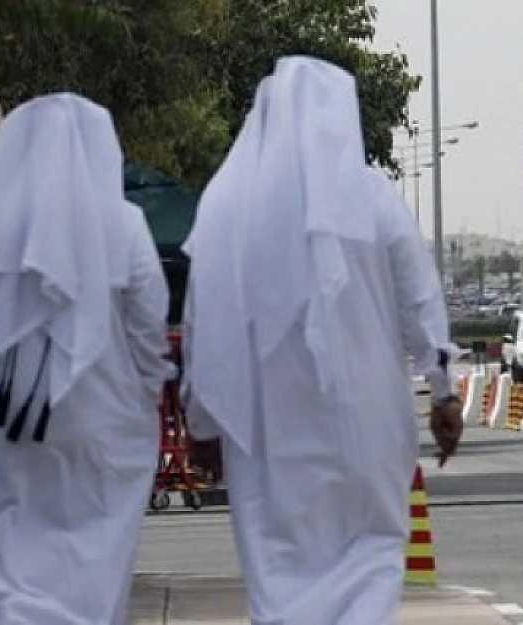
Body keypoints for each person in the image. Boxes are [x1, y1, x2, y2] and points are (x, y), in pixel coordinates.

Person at [180, 56, 464, 624]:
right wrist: (443, 392)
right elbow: (421, 304)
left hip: (268, 436)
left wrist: (203, 423)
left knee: (277, 571)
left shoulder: (225, 205)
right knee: (370, 559)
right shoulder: (376, 200)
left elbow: (200, 325)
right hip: (366, 428)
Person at [0, 94, 170, 623]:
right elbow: (149, 331)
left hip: (1, 425)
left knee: (6, 556)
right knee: (93, 555)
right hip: (101, 422)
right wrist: (140, 396)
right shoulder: (125, 225)